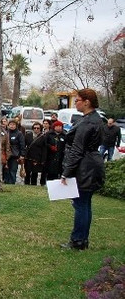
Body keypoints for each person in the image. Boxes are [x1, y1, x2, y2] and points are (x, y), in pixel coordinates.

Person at [60, 88, 105, 250]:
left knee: (80, 204)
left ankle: (78, 240)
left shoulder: (88, 122)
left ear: (87, 102)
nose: (76, 103)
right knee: (85, 204)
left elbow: (77, 150)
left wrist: (66, 172)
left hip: (85, 167)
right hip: (91, 164)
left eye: (78, 100)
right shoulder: (95, 119)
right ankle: (82, 240)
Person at [4, 120, 25, 184]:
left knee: (13, 170)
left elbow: (22, 145)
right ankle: (6, 182)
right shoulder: (6, 133)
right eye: (11, 124)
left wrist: (22, 154)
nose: (12, 126)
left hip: (15, 155)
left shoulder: (19, 134)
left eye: (13, 124)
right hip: (7, 155)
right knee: (6, 170)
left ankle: (12, 183)